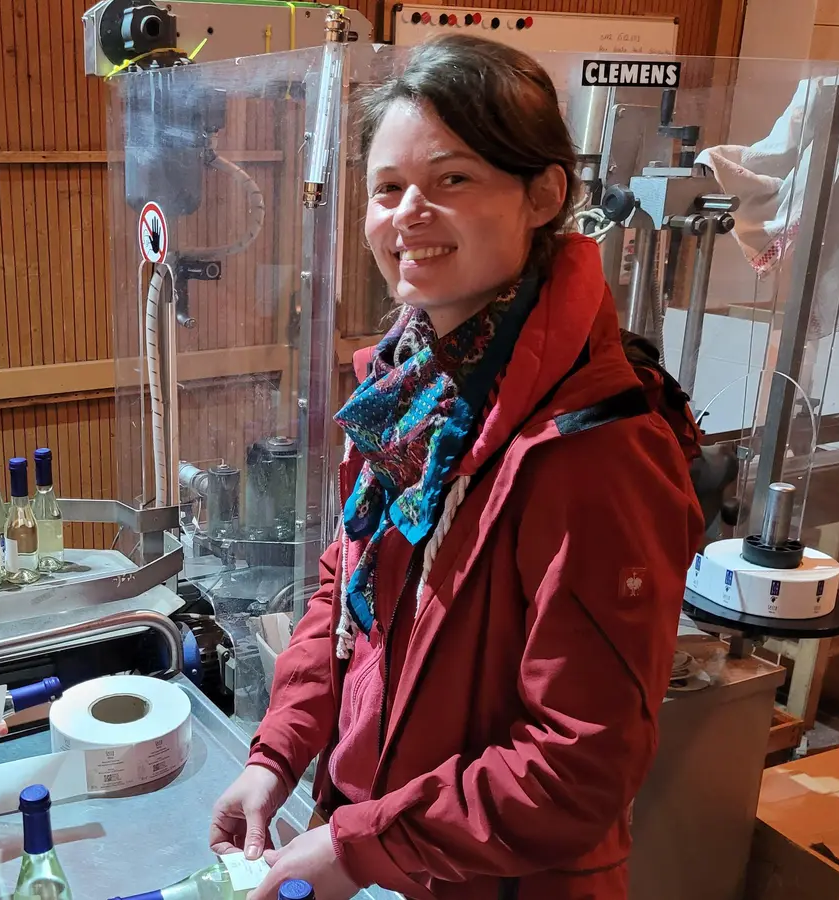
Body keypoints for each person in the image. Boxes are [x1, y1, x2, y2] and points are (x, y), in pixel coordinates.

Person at [208, 35, 703, 900]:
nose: (408, 213)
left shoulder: (595, 443)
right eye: (387, 188)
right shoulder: (404, 389)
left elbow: (578, 762)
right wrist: (277, 755)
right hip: (383, 850)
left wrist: (359, 849)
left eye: (453, 179)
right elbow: (345, 589)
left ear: (543, 194)